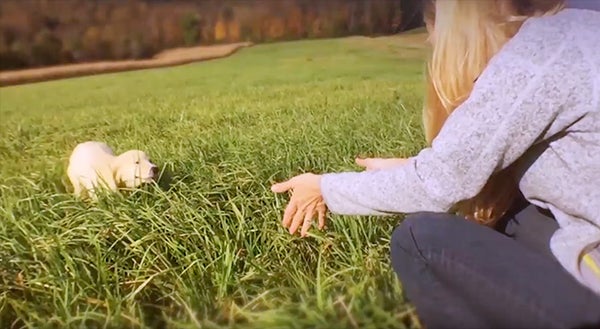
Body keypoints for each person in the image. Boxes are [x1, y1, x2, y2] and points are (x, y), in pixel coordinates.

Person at [270, 0, 600, 328]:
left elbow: (440, 183)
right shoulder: (576, 30)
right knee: (517, 214)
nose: (431, 42)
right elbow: (464, 164)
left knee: (419, 240)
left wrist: (323, 188)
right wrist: (409, 166)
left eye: (434, 29)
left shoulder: (535, 56)